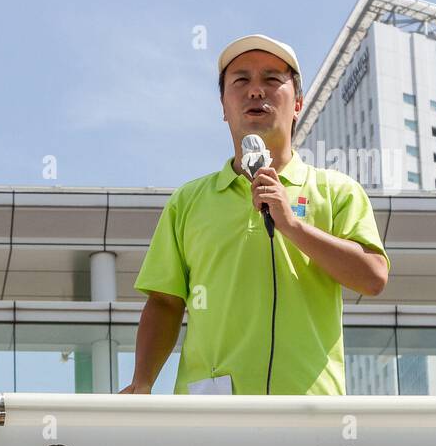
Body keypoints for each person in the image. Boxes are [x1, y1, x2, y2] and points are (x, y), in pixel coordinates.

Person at [123, 34, 389, 396]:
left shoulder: (337, 191)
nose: (255, 91)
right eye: (241, 80)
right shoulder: (187, 201)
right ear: (223, 105)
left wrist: (292, 225)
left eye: (271, 79)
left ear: (297, 103)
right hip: (210, 412)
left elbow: (373, 277)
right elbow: (165, 302)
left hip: (311, 411)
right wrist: (142, 381)